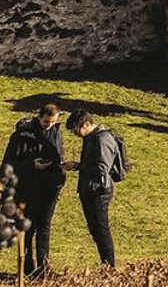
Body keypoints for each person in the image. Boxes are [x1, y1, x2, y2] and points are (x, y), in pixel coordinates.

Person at [3, 103, 67, 278]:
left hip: (50, 185)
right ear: (38, 117)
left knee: (44, 225)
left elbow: (59, 155)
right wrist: (32, 165)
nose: (49, 125)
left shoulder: (55, 132)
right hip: (27, 185)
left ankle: (44, 265)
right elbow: (9, 164)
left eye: (52, 122)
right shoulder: (20, 136)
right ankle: (27, 266)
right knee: (28, 226)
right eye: (46, 122)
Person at [66, 109, 121, 268]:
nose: (76, 134)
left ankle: (109, 266)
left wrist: (76, 166)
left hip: (99, 190)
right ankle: (106, 263)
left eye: (77, 130)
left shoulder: (102, 139)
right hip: (91, 189)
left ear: (87, 124)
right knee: (96, 229)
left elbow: (101, 169)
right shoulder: (92, 137)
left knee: (101, 229)